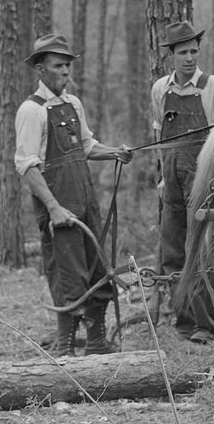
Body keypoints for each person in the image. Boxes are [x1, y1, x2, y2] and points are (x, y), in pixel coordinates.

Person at [15, 33, 134, 357]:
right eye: (58, 66)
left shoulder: (73, 104)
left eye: (68, 65)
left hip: (85, 202)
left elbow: (86, 146)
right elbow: (27, 167)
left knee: (98, 270)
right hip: (59, 208)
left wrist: (115, 153)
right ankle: (65, 350)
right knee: (69, 278)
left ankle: (96, 344)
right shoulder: (31, 111)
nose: (66, 71)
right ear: (40, 70)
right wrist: (53, 208)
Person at [150, 21, 214, 343]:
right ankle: (183, 319)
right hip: (171, 176)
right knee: (173, 247)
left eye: (193, 52)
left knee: (202, 248)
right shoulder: (161, 89)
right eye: (183, 52)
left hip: (205, 177)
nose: (189, 58)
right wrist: (162, 176)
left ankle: (207, 324)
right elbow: (159, 134)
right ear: (171, 55)